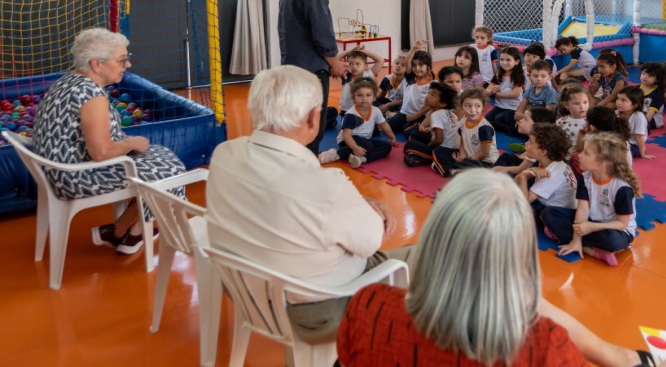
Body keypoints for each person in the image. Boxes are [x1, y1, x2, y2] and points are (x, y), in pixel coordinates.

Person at [337, 169, 660, 367]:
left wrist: (618, 357)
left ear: (435, 235)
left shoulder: (369, 306)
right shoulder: (544, 347)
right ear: (518, 253)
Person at [206, 65, 413, 344]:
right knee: (427, 256)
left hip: (247, 294)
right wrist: (362, 206)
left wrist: (355, 201)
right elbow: (371, 241)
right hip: (318, 313)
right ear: (313, 119)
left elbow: (284, 200)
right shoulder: (324, 185)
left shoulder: (224, 154)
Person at [32, 28, 185, 255]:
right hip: (76, 177)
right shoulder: (91, 95)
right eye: (122, 60)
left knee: (162, 156)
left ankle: (125, 230)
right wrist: (132, 143)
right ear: (97, 64)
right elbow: (101, 153)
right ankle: (127, 232)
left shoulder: (69, 81)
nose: (128, 65)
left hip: (58, 171)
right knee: (172, 171)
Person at [278, 0, 347, 154]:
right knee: (312, 125)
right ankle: (308, 170)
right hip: (310, 70)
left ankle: (297, 166)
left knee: (298, 122)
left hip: (293, 66)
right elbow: (322, 33)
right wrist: (334, 63)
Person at [552, 133, 640, 267]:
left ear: (602, 162)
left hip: (615, 230)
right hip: (590, 222)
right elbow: (583, 208)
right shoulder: (585, 177)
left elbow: (622, 224)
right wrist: (576, 239)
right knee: (549, 213)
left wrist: (591, 227)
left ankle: (581, 245)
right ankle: (587, 248)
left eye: (586, 153)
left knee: (611, 241)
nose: (579, 155)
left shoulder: (621, 188)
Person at [319, 78, 398, 168]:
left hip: (364, 140)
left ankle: (361, 159)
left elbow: (384, 125)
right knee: (368, 146)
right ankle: (334, 154)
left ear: (374, 97)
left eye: (368, 95)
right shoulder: (351, 114)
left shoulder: (376, 111)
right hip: (347, 141)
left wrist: (392, 138)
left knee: (386, 146)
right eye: (360, 95)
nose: (364, 98)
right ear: (354, 97)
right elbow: (347, 135)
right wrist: (355, 148)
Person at [433, 88, 499, 176]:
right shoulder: (463, 121)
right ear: (462, 106)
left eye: (477, 106)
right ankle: (454, 170)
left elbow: (484, 153)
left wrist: (467, 160)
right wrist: (462, 156)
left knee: (466, 165)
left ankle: (451, 169)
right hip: (469, 156)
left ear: (483, 107)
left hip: (485, 162)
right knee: (439, 150)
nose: (472, 110)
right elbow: (462, 141)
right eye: (468, 106)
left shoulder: (484, 127)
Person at [402, 81, 461, 167]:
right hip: (453, 148)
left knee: (409, 146)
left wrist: (428, 145)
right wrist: (430, 129)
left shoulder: (437, 115)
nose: (427, 96)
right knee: (415, 134)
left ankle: (425, 157)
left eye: (432, 95)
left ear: (443, 103)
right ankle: (421, 157)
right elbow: (446, 130)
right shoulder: (448, 113)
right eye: (429, 93)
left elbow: (438, 140)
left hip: (444, 149)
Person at [386, 39, 433, 136]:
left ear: (428, 67)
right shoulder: (410, 78)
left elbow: (430, 106)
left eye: (421, 65)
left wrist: (416, 115)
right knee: (388, 127)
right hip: (404, 113)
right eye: (414, 65)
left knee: (408, 133)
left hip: (419, 116)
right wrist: (414, 48)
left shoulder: (432, 84)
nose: (417, 68)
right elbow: (407, 61)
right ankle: (394, 115)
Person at [485, 46, 526, 133]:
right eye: (502, 59)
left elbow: (515, 94)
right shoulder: (498, 74)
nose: (504, 62)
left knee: (501, 120)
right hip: (499, 106)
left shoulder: (518, 76)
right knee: (486, 122)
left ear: (516, 62)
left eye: (508, 60)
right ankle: (502, 125)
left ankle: (512, 128)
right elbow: (487, 90)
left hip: (513, 108)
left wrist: (495, 94)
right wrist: (491, 91)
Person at [616, 86, 654, 159]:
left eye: (623, 100)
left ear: (635, 105)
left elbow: (639, 137)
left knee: (619, 155)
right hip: (619, 140)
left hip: (632, 144)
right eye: (618, 98)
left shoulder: (639, 117)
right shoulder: (618, 113)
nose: (618, 102)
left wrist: (642, 154)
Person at [637, 62, 666, 129]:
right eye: (644, 73)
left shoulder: (658, 93)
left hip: (653, 119)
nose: (645, 77)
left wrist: (643, 124)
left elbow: (651, 112)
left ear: (657, 79)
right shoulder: (636, 89)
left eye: (649, 75)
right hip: (639, 114)